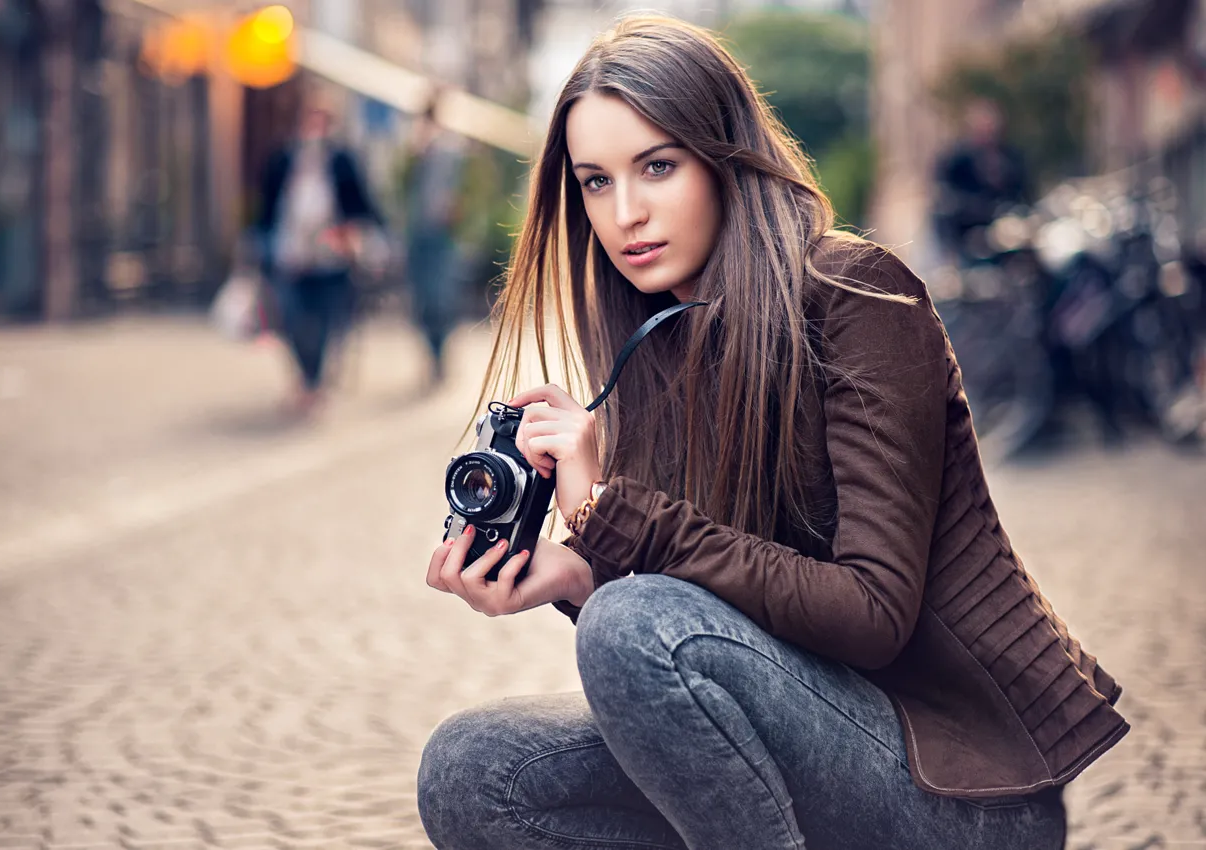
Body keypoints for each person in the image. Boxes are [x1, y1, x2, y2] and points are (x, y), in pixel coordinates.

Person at [416, 16, 1128, 850]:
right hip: (808, 750)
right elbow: (711, 631)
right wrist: (576, 573)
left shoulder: (859, 298)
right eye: (596, 182)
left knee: (632, 623)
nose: (627, 213)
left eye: (657, 166)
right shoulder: (658, 340)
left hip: (962, 795)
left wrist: (610, 514)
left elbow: (869, 612)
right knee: (470, 771)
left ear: (724, 161)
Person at [257, 86, 382, 417]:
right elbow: (267, 207)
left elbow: (361, 204)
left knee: (326, 322)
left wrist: (355, 235)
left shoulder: (342, 160)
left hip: (330, 258)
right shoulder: (284, 158)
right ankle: (306, 376)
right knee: (292, 319)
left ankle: (314, 383)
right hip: (291, 255)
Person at [404, 90, 467, 387]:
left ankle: (440, 357)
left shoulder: (450, 148)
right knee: (423, 299)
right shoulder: (418, 148)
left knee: (439, 298)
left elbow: (464, 189)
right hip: (420, 232)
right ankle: (432, 356)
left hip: (442, 235)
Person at [932, 97, 1030, 264]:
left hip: (1007, 235)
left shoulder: (1010, 157)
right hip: (969, 235)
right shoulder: (957, 161)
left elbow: (1024, 193)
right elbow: (947, 198)